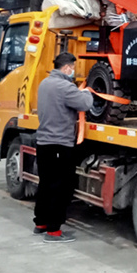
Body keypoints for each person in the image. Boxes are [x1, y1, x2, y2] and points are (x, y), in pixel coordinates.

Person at [33, 52, 93, 243]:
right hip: (60, 144)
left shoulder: (44, 84)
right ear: (66, 68)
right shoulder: (65, 86)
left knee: (46, 184)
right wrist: (87, 92)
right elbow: (84, 104)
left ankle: (41, 223)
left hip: (43, 142)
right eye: (73, 68)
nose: (73, 71)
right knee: (60, 188)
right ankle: (53, 231)